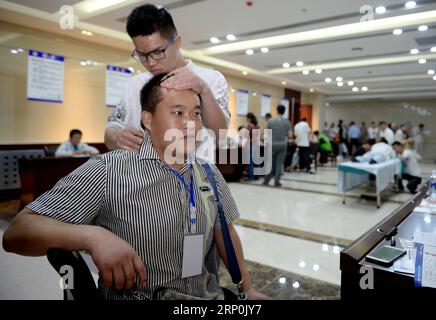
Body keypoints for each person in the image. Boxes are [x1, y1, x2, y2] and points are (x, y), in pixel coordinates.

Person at [3, 74, 268, 300]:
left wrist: (247, 289)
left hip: (205, 294)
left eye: (196, 113)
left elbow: (225, 231)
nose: (192, 124)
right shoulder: (109, 170)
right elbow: (17, 233)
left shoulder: (208, 172)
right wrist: (92, 236)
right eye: (178, 112)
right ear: (148, 119)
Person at [104, 4, 230, 152]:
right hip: (143, 173)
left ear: (177, 43)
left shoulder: (211, 79)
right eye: (142, 55)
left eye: (158, 52)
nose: (150, 62)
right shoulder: (136, 84)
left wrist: (204, 91)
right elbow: (110, 131)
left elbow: (219, 134)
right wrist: (118, 137)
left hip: (194, 172)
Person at [263, 105, 292, 187]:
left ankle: (266, 180)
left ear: (277, 110)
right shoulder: (287, 122)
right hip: (282, 144)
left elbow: (266, 134)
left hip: (272, 144)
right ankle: (277, 182)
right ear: (284, 111)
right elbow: (290, 135)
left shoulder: (271, 121)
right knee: (279, 163)